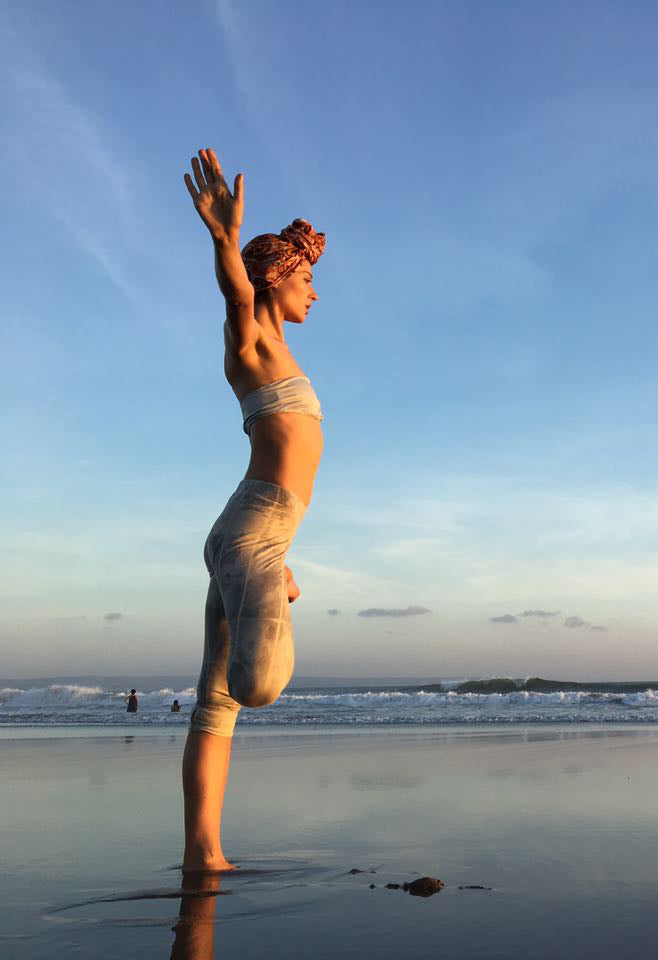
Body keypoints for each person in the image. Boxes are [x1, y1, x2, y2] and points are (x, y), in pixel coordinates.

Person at [180, 148, 325, 873]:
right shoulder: (253, 340)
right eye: (306, 278)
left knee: (216, 705)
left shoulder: (285, 354)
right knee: (257, 686)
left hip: (255, 531)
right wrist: (221, 238)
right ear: (274, 277)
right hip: (254, 534)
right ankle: (281, 589)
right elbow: (237, 296)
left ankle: (203, 852)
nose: (315, 293)